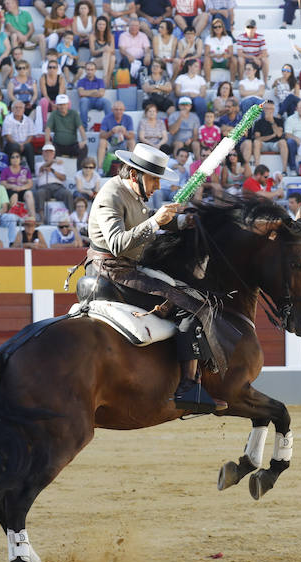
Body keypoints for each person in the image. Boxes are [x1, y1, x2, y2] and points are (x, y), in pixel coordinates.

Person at [85, 144, 228, 413]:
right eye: (153, 179)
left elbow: (145, 218)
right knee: (188, 306)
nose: (156, 186)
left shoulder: (130, 193)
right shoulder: (110, 195)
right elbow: (117, 243)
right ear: (134, 175)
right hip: (112, 272)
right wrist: (155, 223)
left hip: (126, 269)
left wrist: (184, 222)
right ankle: (188, 387)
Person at [45, 94, 87, 169]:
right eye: (60, 105)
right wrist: (47, 141)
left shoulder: (74, 113)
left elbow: (80, 128)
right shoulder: (54, 114)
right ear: (57, 105)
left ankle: (80, 172)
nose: (62, 107)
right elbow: (48, 128)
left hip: (72, 145)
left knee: (84, 148)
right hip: (58, 145)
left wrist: (84, 140)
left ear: (68, 104)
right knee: (49, 148)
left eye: (64, 104)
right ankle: (52, 170)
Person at [98, 102, 137, 175]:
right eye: (116, 109)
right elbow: (101, 135)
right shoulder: (107, 118)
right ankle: (100, 168)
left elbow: (132, 136)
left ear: (124, 110)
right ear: (112, 110)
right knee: (102, 141)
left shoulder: (128, 118)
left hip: (123, 143)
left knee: (132, 141)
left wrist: (125, 132)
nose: (118, 111)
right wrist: (111, 132)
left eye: (120, 109)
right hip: (111, 144)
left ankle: (132, 167)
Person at [252, 100, 288, 173]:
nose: (269, 111)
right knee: (256, 142)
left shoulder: (279, 121)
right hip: (263, 145)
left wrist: (272, 122)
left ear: (274, 110)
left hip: (276, 144)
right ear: (264, 109)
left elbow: (279, 134)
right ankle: (257, 169)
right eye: (267, 108)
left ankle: (284, 169)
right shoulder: (258, 122)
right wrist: (272, 135)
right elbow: (257, 138)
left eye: (271, 109)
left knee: (283, 142)